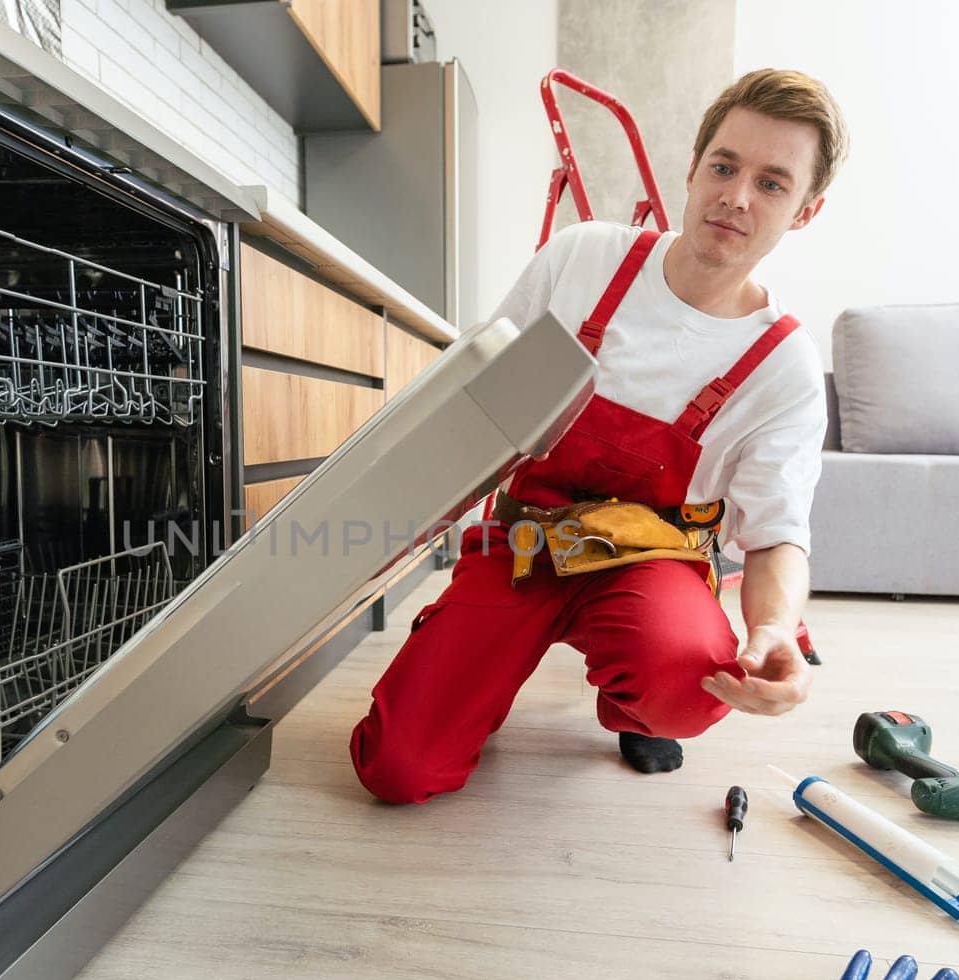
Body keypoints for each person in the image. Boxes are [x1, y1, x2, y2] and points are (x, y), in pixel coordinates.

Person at [349, 69, 848, 804]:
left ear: (805, 211)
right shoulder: (584, 260)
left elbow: (776, 534)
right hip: (521, 547)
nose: (736, 196)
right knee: (398, 771)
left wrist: (774, 625)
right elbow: (476, 404)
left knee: (691, 682)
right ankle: (467, 647)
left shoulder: (784, 368)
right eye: (724, 166)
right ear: (693, 167)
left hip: (648, 567)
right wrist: (398, 519)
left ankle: (632, 703)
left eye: (773, 183)